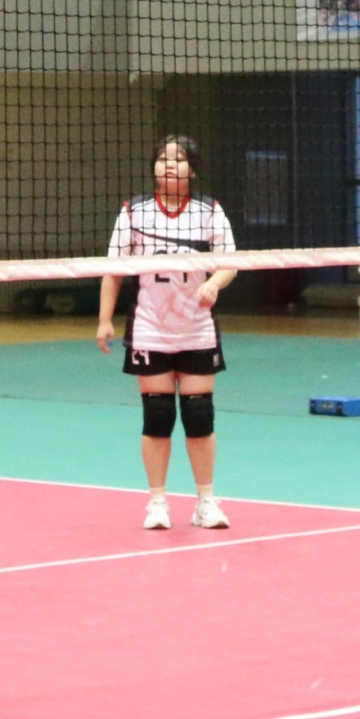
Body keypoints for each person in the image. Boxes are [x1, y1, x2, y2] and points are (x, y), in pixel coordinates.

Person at [101, 134, 237, 533]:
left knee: (199, 416)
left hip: (196, 329)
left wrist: (214, 282)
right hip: (150, 329)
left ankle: (206, 502)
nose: (170, 165)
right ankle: (157, 501)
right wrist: (104, 320)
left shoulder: (209, 210)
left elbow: (231, 262)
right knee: (157, 417)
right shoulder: (133, 211)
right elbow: (113, 269)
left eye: (178, 160)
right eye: (163, 159)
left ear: (193, 170)